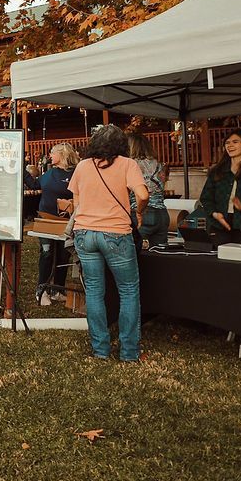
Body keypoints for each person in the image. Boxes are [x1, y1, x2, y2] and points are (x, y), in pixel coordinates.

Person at [70, 125, 148, 362]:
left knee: (94, 291)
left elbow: (76, 202)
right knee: (128, 291)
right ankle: (129, 351)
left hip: (84, 233)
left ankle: (100, 350)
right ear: (121, 145)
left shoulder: (83, 166)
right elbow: (143, 195)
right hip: (115, 232)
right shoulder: (127, 164)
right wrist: (139, 213)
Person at [36, 143, 80, 305]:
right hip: (46, 221)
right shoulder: (49, 173)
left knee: (63, 254)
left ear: (62, 155)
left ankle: (58, 289)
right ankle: (42, 291)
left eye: (52, 153)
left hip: (66, 222)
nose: (50, 155)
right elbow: (35, 184)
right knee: (47, 254)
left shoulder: (76, 172)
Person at [199, 129, 241, 245]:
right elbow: (205, 198)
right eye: (227, 143)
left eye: (235, 142)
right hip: (219, 225)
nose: (230, 145)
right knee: (219, 260)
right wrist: (215, 214)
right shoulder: (217, 171)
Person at [126, 133, 170, 248]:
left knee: (136, 255)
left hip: (140, 212)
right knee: (160, 254)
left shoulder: (131, 165)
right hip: (162, 214)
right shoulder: (159, 164)